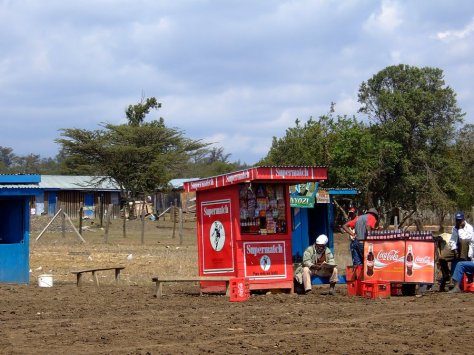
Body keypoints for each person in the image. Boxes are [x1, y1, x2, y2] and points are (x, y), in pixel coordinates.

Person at [438, 211, 474, 291]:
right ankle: (446, 274)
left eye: (460, 220)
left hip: (466, 247)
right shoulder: (455, 228)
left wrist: (459, 229)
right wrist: (455, 251)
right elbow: (452, 240)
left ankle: (457, 280)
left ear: (463, 220)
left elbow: (465, 239)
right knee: (442, 258)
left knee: (463, 242)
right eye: (457, 220)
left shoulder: (469, 228)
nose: (458, 222)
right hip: (456, 247)